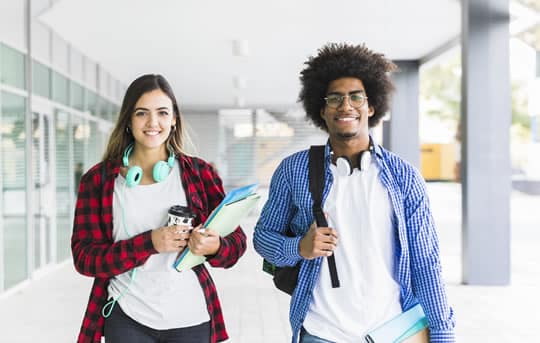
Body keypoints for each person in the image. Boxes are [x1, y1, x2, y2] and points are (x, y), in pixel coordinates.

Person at [253, 43, 455, 343]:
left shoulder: (403, 177)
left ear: (371, 106)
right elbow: (263, 238)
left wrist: (443, 334)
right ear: (321, 110)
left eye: (356, 97)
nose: (345, 105)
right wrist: (300, 247)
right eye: (334, 98)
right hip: (321, 331)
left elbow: (426, 262)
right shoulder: (294, 170)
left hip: (393, 331)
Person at [71, 74, 246, 343]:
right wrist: (149, 243)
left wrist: (214, 246)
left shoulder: (199, 174)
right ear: (129, 120)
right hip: (127, 316)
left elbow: (236, 244)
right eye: (142, 113)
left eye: (162, 113)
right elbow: (85, 259)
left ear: (174, 119)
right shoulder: (99, 181)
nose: (153, 123)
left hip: (191, 315)